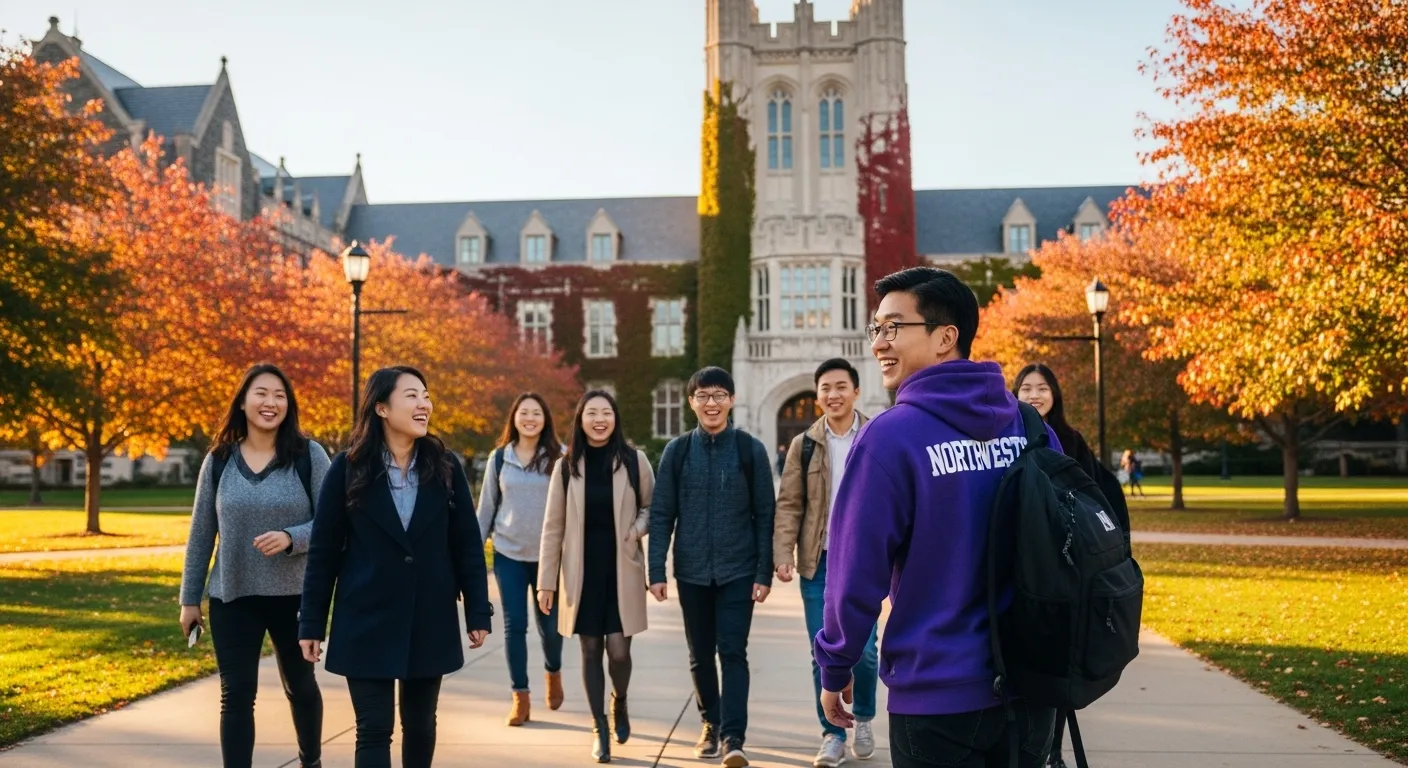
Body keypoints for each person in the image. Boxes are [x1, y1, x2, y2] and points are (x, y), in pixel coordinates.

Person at [815, 267, 1062, 768]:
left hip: (937, 696)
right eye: (876, 329)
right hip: (1034, 686)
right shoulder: (1030, 426)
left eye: (893, 328)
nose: (879, 343)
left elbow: (854, 574)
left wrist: (835, 664)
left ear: (946, 336)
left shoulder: (890, 438)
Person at [298, 366, 493, 768]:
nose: (424, 404)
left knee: (420, 725)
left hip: (429, 617)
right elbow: (324, 551)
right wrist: (312, 623)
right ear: (382, 407)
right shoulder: (348, 467)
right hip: (366, 615)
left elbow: (467, 545)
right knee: (373, 728)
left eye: (426, 395)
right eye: (412, 396)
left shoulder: (446, 466)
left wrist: (477, 609)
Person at [179, 363, 327, 768]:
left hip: (294, 596)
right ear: (243, 402)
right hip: (233, 594)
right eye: (261, 393)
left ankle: (310, 761)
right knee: (237, 694)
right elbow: (201, 532)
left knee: (300, 685)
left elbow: (335, 523)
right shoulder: (220, 459)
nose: (271, 402)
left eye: (280, 395)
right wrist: (189, 599)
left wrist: (291, 538)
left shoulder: (308, 455)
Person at [649, 366, 775, 768]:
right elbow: (662, 513)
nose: (711, 403)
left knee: (732, 652)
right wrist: (656, 570)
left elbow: (765, 516)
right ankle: (710, 722)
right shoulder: (678, 451)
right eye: (703, 396)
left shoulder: (749, 449)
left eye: (719, 395)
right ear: (692, 403)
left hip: (738, 570)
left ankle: (733, 738)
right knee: (700, 654)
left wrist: (763, 572)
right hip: (691, 571)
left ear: (732, 400)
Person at [1013, 363, 1131, 768]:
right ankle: (1034, 748)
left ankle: (1054, 751)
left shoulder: (1070, 440)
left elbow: (1097, 498)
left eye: (1041, 388)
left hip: (1068, 568)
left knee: (1060, 667)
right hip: (1028, 569)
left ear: (1055, 394)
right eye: (1025, 388)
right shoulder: (1008, 439)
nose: (1033, 395)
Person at [537, 390, 655, 763]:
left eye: (606, 412)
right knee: (589, 649)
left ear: (615, 418)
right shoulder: (566, 465)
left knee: (619, 652)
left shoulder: (634, 461)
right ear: (581, 419)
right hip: (580, 573)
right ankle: (599, 726)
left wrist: (636, 530)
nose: (599, 419)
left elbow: (654, 507)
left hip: (621, 570)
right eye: (592, 412)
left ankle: (619, 701)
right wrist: (546, 581)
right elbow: (552, 527)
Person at [773, 358, 879, 768]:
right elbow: (789, 504)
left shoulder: (875, 436)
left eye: (840, 386)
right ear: (817, 396)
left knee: (866, 652)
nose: (833, 395)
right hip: (819, 562)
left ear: (855, 390)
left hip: (864, 562)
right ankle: (832, 733)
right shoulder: (805, 444)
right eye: (825, 389)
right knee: (822, 652)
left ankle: (864, 716)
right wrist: (783, 554)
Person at [478, 392, 566, 727]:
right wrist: (473, 557)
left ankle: (552, 672)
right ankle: (520, 696)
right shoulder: (499, 458)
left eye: (537, 413)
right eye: (524, 413)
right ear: (514, 417)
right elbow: (486, 509)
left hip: (549, 560)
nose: (530, 418)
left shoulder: (561, 457)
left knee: (551, 629)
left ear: (545, 419)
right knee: (516, 626)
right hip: (508, 554)